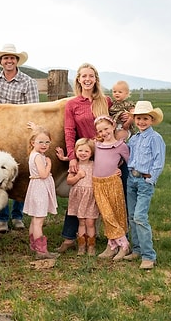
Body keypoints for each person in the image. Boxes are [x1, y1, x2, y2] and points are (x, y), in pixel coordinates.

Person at [0, 43, 39, 233]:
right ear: (1, 61)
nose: (8, 61)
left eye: (12, 58)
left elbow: (33, 109)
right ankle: (2, 218)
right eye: (5, 58)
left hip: (20, 133)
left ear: (17, 61)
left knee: (19, 170)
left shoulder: (27, 82)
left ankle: (18, 215)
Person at [56, 63, 113, 253]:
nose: (87, 79)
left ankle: (115, 237)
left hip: (105, 154)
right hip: (85, 155)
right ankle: (70, 237)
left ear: (96, 79)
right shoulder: (72, 104)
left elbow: (114, 124)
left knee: (106, 195)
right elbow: (69, 131)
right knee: (80, 193)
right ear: (78, 80)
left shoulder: (106, 101)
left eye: (91, 76)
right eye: (83, 76)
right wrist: (72, 157)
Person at [122, 101, 166, 270]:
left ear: (152, 120)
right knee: (132, 216)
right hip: (131, 179)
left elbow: (159, 161)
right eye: (138, 118)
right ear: (134, 120)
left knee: (140, 217)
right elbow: (128, 155)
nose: (141, 122)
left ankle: (149, 256)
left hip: (144, 180)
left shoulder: (156, 138)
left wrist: (151, 179)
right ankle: (137, 249)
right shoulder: (134, 138)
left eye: (145, 118)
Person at [92, 115, 130, 260]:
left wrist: (119, 170)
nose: (103, 133)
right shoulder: (96, 145)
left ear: (113, 126)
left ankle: (117, 245)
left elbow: (128, 163)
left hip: (113, 183)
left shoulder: (121, 146)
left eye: (106, 129)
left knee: (117, 214)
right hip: (98, 183)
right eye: (100, 131)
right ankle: (118, 243)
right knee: (106, 215)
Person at [57, 138, 99, 256]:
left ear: (91, 153)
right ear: (75, 152)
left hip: (90, 197)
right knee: (81, 222)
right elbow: (69, 181)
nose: (83, 153)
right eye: (80, 150)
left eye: (86, 151)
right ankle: (81, 246)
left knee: (90, 222)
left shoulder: (94, 165)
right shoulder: (75, 166)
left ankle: (91, 246)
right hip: (79, 197)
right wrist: (78, 176)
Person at [23, 125, 59, 259]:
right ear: (33, 143)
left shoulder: (34, 154)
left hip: (36, 186)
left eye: (47, 142)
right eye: (40, 142)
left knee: (35, 219)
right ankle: (41, 251)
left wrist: (36, 126)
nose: (44, 145)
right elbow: (43, 174)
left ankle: (34, 246)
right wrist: (49, 164)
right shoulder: (39, 157)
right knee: (39, 220)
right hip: (40, 188)